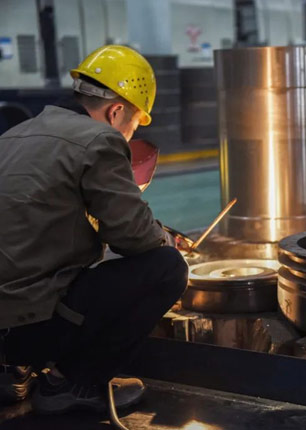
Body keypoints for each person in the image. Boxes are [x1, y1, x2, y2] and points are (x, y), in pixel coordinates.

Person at [0, 45, 189, 413]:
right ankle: (69, 383)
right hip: (29, 327)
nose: (129, 135)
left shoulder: (14, 135)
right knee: (167, 268)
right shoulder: (99, 139)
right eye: (133, 125)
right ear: (116, 111)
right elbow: (134, 237)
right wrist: (167, 240)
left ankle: (12, 371)